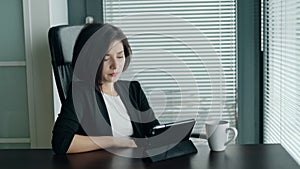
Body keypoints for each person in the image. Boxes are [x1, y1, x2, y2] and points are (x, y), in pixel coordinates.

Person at [52, 23, 159, 154]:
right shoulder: (80, 93)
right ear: (90, 59)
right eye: (105, 59)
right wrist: (115, 141)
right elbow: (61, 142)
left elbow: (153, 131)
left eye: (120, 56)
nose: (115, 65)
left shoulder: (133, 89)